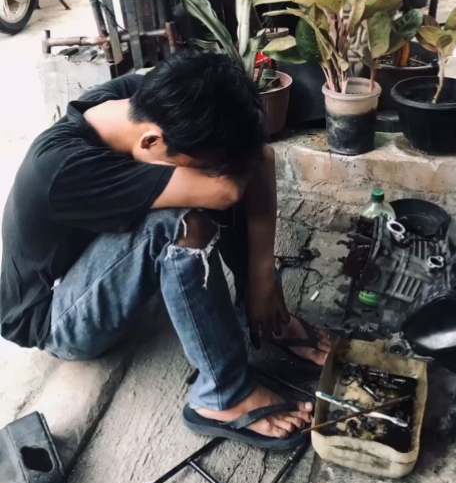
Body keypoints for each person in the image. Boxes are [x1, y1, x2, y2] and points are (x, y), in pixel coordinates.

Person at [0, 51, 330, 450]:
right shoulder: (66, 169)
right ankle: (223, 396)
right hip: (57, 316)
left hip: (97, 262)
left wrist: (262, 281)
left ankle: (261, 314)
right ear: (151, 142)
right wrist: (221, 174)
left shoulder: (143, 100)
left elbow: (257, 156)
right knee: (182, 220)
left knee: (226, 163)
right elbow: (226, 190)